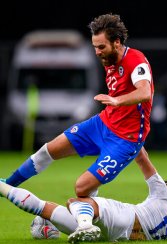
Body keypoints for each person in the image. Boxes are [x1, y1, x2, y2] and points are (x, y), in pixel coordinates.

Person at [2, 14, 154, 199]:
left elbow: (145, 92)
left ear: (116, 42)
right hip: (103, 124)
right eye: (95, 47)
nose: (97, 52)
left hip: (125, 139)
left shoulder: (135, 59)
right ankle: (6, 186)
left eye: (101, 47)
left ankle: (90, 221)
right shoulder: (110, 59)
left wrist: (117, 100)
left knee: (82, 188)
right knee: (47, 151)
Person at [0, 147, 167, 243]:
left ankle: (85, 225)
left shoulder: (165, 195)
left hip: (127, 217)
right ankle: (48, 224)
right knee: (44, 208)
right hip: (114, 238)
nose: (162, 184)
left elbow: (142, 158)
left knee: (78, 201)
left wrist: (133, 133)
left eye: (166, 184)